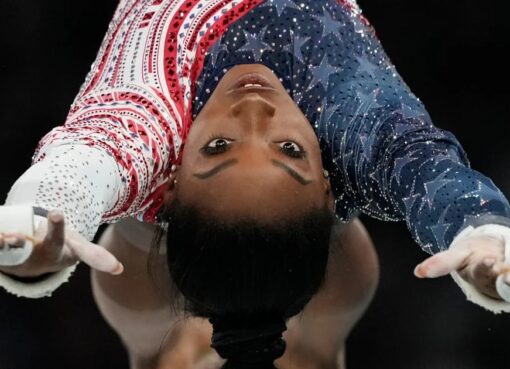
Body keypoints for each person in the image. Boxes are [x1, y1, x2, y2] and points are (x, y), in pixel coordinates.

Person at [1, 0, 510, 368]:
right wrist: (477, 228)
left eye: (219, 147)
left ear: (171, 185)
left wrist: (38, 221)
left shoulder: (151, 128)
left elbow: (85, 162)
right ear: (331, 188)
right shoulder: (353, 131)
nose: (253, 113)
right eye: (287, 150)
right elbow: (421, 165)